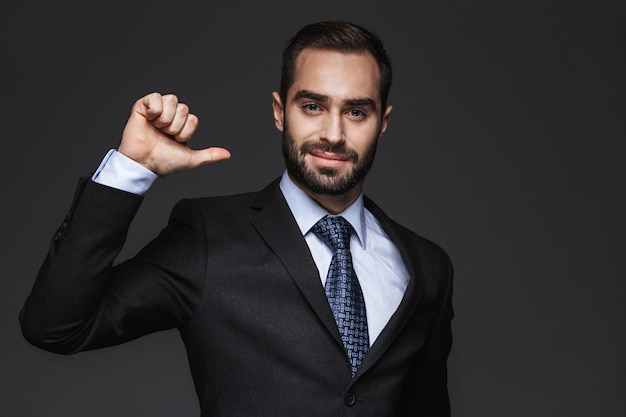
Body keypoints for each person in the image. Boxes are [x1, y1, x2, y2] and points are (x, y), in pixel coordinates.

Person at [20, 20, 453, 417]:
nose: (334, 134)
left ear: (383, 123)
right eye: (313, 107)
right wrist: (132, 168)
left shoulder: (426, 267)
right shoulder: (209, 237)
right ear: (280, 111)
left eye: (356, 111)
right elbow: (55, 326)